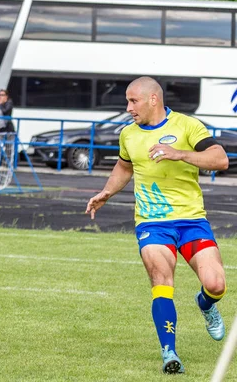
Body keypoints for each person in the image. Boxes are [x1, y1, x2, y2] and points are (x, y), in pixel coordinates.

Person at [85, 76, 229, 374]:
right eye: (127, 101)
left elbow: (220, 159)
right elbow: (124, 166)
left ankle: (205, 304)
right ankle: (169, 353)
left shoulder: (188, 126)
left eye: (133, 101)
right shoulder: (128, 134)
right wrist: (107, 192)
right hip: (152, 222)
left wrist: (180, 154)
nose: (128, 108)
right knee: (162, 280)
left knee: (216, 285)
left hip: (191, 220)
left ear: (153, 99)